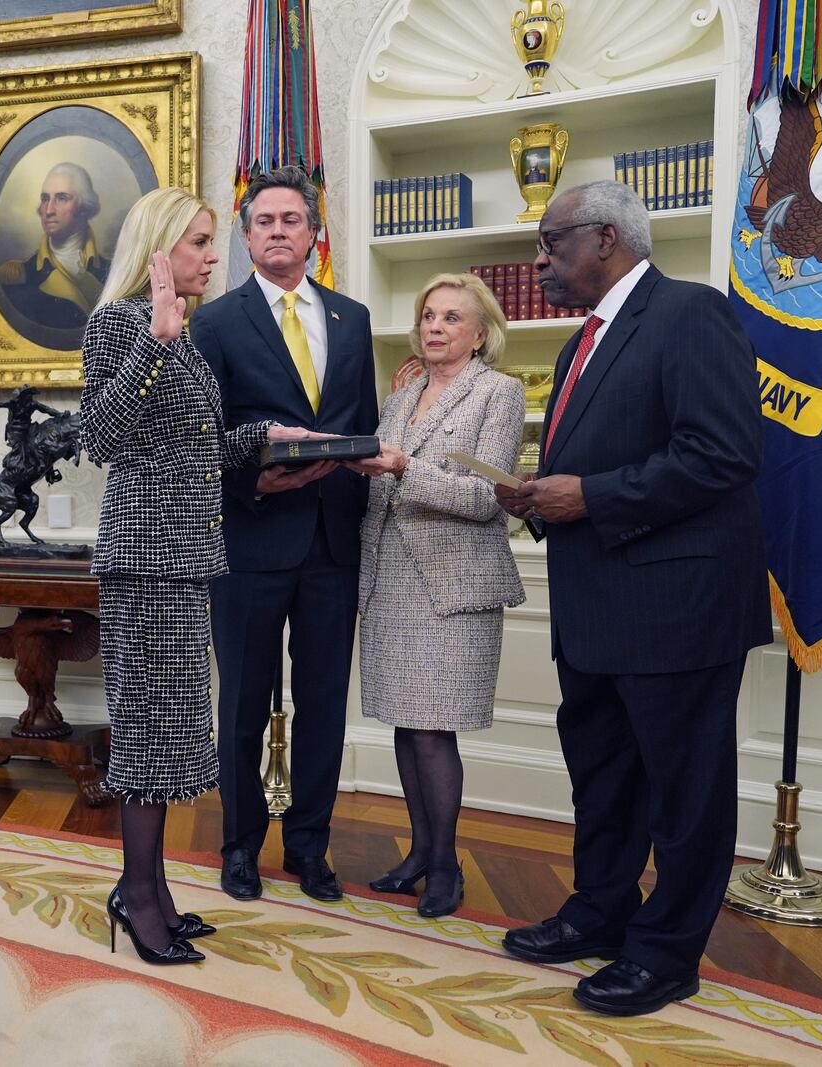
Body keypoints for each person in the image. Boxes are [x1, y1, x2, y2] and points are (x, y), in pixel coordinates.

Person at [494, 181, 770, 1015]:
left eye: (552, 241)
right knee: (603, 778)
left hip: (676, 611)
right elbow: (611, 458)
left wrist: (593, 496)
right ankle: (602, 911)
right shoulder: (586, 340)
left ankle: (665, 951)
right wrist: (543, 494)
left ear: (606, 238)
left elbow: (724, 453)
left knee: (685, 792)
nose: (539, 260)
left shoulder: (689, 314)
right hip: (595, 610)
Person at [80, 187, 315, 965]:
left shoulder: (186, 336)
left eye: (215, 242)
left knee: (176, 736)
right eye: (202, 242)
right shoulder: (121, 325)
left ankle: (150, 888)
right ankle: (138, 896)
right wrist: (154, 338)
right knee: (149, 740)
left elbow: (197, 448)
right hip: (144, 562)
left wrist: (264, 436)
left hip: (189, 560)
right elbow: (101, 437)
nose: (216, 255)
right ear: (159, 251)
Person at [189, 165, 378, 904]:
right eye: (263, 221)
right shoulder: (214, 322)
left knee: (325, 701)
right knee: (240, 700)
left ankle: (310, 848)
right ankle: (239, 847)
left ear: (313, 232)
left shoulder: (351, 319)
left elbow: (357, 423)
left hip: (333, 542)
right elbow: (200, 436)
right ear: (245, 236)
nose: (277, 231)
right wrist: (251, 481)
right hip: (249, 537)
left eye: (290, 220)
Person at [345, 273, 526, 918]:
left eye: (452, 317)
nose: (435, 327)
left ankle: (447, 866)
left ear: (480, 335)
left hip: (453, 586)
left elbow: (488, 499)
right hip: (391, 578)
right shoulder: (400, 396)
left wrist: (402, 468)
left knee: (433, 732)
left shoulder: (500, 395)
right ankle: (420, 853)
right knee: (404, 723)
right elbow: (379, 492)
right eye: (427, 315)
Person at [0, 162, 111, 330]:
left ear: (83, 207)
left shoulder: (112, 271)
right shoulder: (18, 277)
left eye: (61, 198)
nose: (48, 210)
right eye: (45, 199)